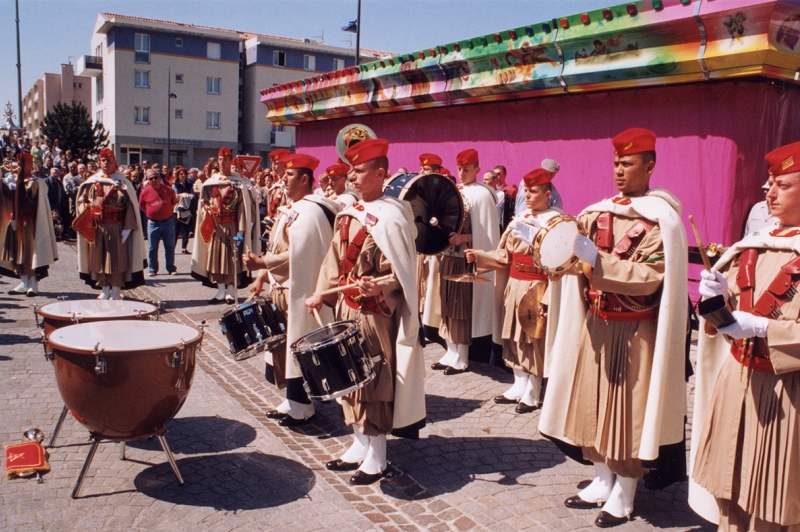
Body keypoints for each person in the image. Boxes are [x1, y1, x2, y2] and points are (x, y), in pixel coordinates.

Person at [538, 128, 688, 527]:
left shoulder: (662, 219)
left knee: (627, 413)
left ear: (650, 165)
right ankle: (603, 477)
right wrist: (553, 251)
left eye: (629, 163)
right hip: (595, 323)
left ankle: (626, 489)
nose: (619, 171)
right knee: (593, 406)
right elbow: (571, 261)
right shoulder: (597, 211)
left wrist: (597, 263)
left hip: (633, 329)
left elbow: (652, 276)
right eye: (616, 163)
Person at [690, 141, 800, 532]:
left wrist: (765, 328)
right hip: (738, 379)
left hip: (786, 391)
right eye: (768, 184)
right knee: (729, 488)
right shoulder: (754, 244)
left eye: (782, 185)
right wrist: (717, 294)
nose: (769, 193)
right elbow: (733, 306)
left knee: (772, 502)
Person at [306, 138, 426, 485]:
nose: (352, 178)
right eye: (351, 171)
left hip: (375, 312)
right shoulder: (348, 212)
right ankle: (359, 443)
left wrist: (382, 286)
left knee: (374, 380)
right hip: (347, 305)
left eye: (359, 171)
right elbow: (334, 258)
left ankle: (377, 455)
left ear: (381, 173)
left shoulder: (392, 217)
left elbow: (403, 272)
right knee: (349, 377)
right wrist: (320, 294)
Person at [245, 153, 341, 426]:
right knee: (282, 349)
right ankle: (291, 399)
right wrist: (263, 274)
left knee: (297, 347)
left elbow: (299, 255)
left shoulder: (311, 212)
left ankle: (303, 405)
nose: (282, 179)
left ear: (304, 179)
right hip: (282, 288)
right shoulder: (293, 207)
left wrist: (263, 263)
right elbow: (277, 247)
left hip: (298, 291)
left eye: (289, 175)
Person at [466, 168, 560, 413]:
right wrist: (479, 256)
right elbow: (504, 255)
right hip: (514, 283)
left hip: (538, 284)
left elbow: (559, 264)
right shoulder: (519, 219)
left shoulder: (556, 221)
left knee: (532, 338)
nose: (528, 196)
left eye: (534, 191)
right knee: (513, 335)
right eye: (526, 191)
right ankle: (519, 383)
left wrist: (549, 297)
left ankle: (533, 389)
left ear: (548, 193)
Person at [431, 148, 501, 374]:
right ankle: (450, 350)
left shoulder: (483, 194)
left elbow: (487, 232)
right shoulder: (455, 190)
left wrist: (464, 238)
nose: (462, 173)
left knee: (461, 307)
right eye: (460, 169)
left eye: (467, 169)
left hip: (465, 258)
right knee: (447, 305)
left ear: (478, 169)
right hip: (448, 257)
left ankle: (462, 356)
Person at [74, 148, 146, 299]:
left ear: (115, 162)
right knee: (99, 257)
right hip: (98, 226)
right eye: (103, 160)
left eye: (109, 160)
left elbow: (130, 206)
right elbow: (82, 200)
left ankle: (116, 290)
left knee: (117, 259)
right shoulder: (93, 181)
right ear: (99, 162)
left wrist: (128, 228)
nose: (106, 163)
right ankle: (105, 288)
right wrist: (86, 212)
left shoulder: (123, 182)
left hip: (117, 226)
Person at [191, 147, 259, 304]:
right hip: (215, 226)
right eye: (220, 159)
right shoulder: (210, 183)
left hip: (232, 226)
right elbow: (204, 202)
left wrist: (241, 231)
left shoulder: (238, 183)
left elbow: (243, 209)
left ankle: (230, 290)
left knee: (232, 259)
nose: (222, 162)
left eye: (225, 159)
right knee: (215, 257)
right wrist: (207, 209)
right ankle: (220, 290)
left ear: (231, 161)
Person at [0, 153, 58, 296]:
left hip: (31, 222)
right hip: (15, 221)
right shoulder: (11, 180)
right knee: (18, 251)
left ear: (30, 165)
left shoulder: (38, 182)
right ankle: (23, 280)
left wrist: (21, 186)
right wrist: (6, 185)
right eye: (18, 164)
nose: (19, 167)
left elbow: (35, 196)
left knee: (31, 252)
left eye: (23, 164)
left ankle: (33, 283)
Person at [138, 169, 178, 275]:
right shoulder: (145, 191)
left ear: (160, 179)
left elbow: (173, 202)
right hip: (153, 223)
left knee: (170, 246)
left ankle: (171, 268)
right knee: (152, 248)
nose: (154, 180)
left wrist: (165, 211)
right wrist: (151, 213)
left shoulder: (169, 190)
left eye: (156, 177)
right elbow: (141, 206)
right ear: (148, 180)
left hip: (168, 222)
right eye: (151, 178)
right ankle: (153, 269)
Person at [172, 165, 194, 254]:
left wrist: (184, 195)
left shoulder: (189, 185)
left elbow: (193, 195)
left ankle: (184, 248)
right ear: (178, 175)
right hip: (178, 210)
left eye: (185, 173)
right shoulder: (175, 185)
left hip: (187, 209)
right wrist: (186, 195)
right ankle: (172, 248)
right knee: (176, 230)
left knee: (186, 229)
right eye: (181, 174)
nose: (183, 175)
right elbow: (176, 195)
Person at [266, 149, 291, 219]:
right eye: (272, 163)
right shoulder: (276, 184)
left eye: (276, 163)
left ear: (284, 164)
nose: (273, 165)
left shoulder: (289, 184)